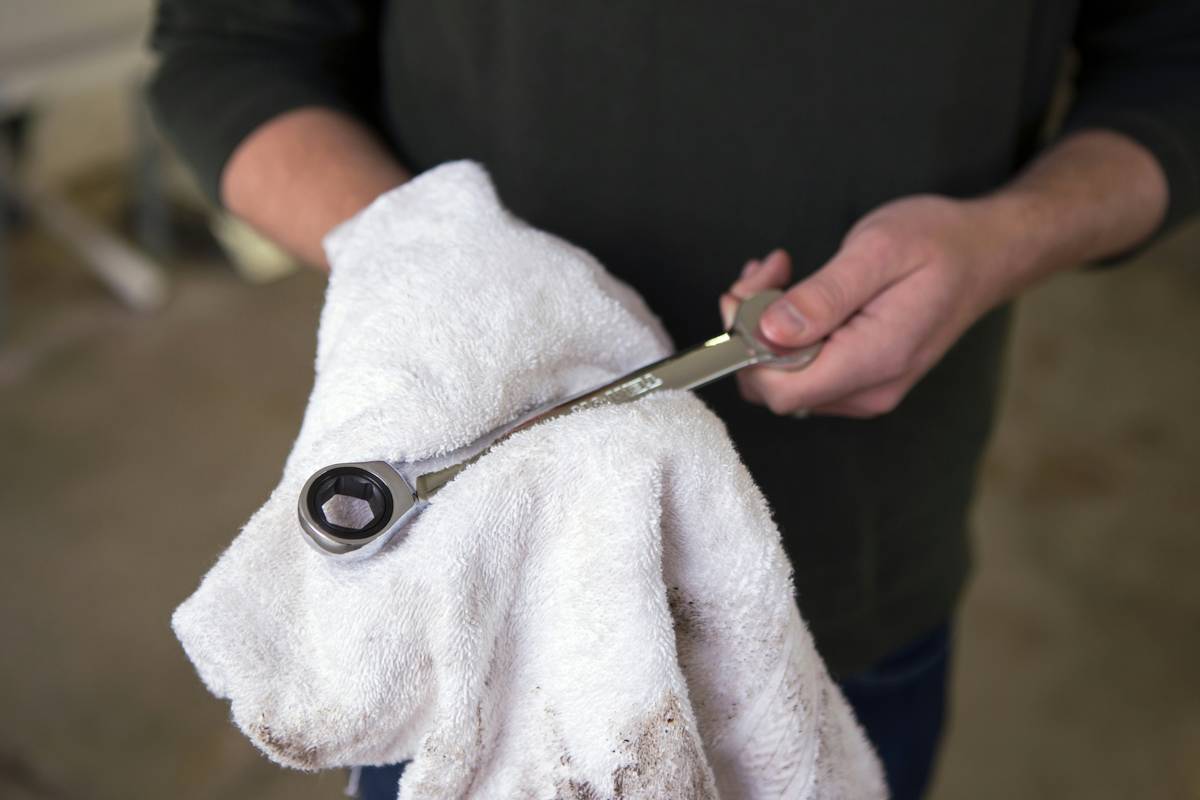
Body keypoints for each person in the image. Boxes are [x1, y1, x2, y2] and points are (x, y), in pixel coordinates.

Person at [148, 3, 1199, 798]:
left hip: (860, 570)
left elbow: (1177, 63)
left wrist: (1008, 234)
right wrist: (439, 255)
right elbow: (227, 49)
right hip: (469, 606)